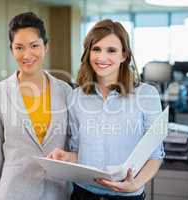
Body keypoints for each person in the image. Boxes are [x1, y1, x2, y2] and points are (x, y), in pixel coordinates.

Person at [48, 19, 165, 200]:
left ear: (124, 55)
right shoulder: (76, 97)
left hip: (127, 196)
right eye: (96, 49)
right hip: (83, 194)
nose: (102, 57)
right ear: (88, 53)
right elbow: (80, 152)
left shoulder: (146, 95)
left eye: (111, 50)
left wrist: (135, 183)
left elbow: (155, 155)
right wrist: (66, 157)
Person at [0, 12, 71, 200]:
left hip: (56, 193)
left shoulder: (65, 91)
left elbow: (72, 146)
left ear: (45, 47)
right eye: (19, 47)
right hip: (13, 193)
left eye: (34, 46)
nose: (27, 54)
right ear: (12, 49)